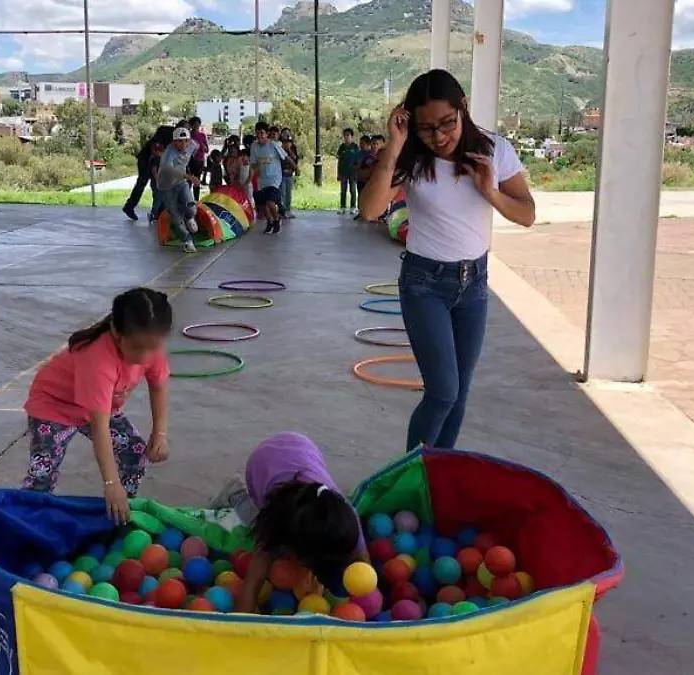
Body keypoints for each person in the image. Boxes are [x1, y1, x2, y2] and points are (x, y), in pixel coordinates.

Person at [360, 69, 535, 453]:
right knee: (442, 392)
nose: (438, 137)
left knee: (460, 393)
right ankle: (407, 476)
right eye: (426, 128)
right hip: (425, 285)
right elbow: (371, 210)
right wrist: (394, 146)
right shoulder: (410, 155)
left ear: (463, 108)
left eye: (447, 124)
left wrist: (490, 192)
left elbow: (526, 213)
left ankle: (439, 474)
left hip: (474, 284)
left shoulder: (494, 150)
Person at [22, 288, 172, 523]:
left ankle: (120, 514)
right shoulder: (98, 359)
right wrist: (110, 483)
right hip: (54, 406)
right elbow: (100, 428)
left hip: (99, 406)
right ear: (115, 331)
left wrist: (160, 432)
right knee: (43, 475)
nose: (144, 357)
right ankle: (26, 524)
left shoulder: (150, 346)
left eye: (151, 348)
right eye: (136, 348)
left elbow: (158, 385)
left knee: (134, 454)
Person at [211, 432, 368, 613]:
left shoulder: (343, 517)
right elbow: (252, 584)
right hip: (262, 464)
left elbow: (363, 564)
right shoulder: (276, 523)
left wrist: (368, 594)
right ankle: (235, 493)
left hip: (302, 448)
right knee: (257, 523)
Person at [157, 126, 201, 253]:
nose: (183, 144)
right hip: (167, 185)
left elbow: (199, 147)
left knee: (191, 206)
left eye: (186, 140)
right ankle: (187, 240)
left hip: (181, 182)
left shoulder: (192, 144)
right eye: (180, 141)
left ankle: (189, 216)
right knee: (175, 214)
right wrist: (190, 177)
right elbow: (170, 170)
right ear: (174, 141)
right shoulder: (168, 153)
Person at [123, 124, 175, 221]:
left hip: (149, 162)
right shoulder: (157, 143)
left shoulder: (160, 141)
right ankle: (130, 206)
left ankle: (158, 211)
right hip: (146, 162)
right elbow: (156, 155)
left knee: (154, 187)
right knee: (143, 183)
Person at [249, 121, 293, 235]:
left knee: (270, 201)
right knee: (262, 204)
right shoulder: (254, 146)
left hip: (274, 179)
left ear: (267, 134)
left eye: (262, 133)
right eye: (257, 133)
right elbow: (253, 163)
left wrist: (296, 168)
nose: (260, 136)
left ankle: (277, 219)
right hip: (262, 179)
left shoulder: (273, 145)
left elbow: (286, 157)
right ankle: (269, 222)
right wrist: (254, 172)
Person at [336, 128, 359, 214]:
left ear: (351, 136)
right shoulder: (342, 147)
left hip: (352, 173)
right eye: (345, 135)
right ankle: (342, 207)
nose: (346, 137)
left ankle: (353, 206)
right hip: (343, 172)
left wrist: (356, 172)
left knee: (353, 190)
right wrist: (338, 173)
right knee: (343, 190)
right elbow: (339, 160)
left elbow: (358, 160)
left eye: (348, 135)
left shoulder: (355, 147)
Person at [187, 116, 208, 202]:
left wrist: (202, 145)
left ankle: (196, 201)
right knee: (188, 180)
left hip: (199, 161)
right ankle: (186, 200)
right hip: (189, 160)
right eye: (194, 125)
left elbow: (207, 150)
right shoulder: (188, 135)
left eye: (198, 124)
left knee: (197, 181)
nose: (196, 126)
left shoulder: (202, 135)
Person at [280, 132, 300, 219]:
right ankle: (282, 211)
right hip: (282, 174)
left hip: (289, 174)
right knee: (282, 194)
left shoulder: (292, 149)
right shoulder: (280, 150)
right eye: (285, 142)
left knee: (289, 194)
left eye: (289, 142)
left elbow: (294, 158)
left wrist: (289, 150)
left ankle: (288, 210)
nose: (287, 144)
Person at [147, 142, 165, 221]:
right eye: (157, 151)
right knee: (158, 199)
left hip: (158, 182)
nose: (159, 153)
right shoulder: (156, 158)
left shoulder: (155, 158)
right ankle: (153, 213)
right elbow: (154, 171)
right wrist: (158, 180)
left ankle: (159, 214)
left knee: (160, 198)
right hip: (157, 182)